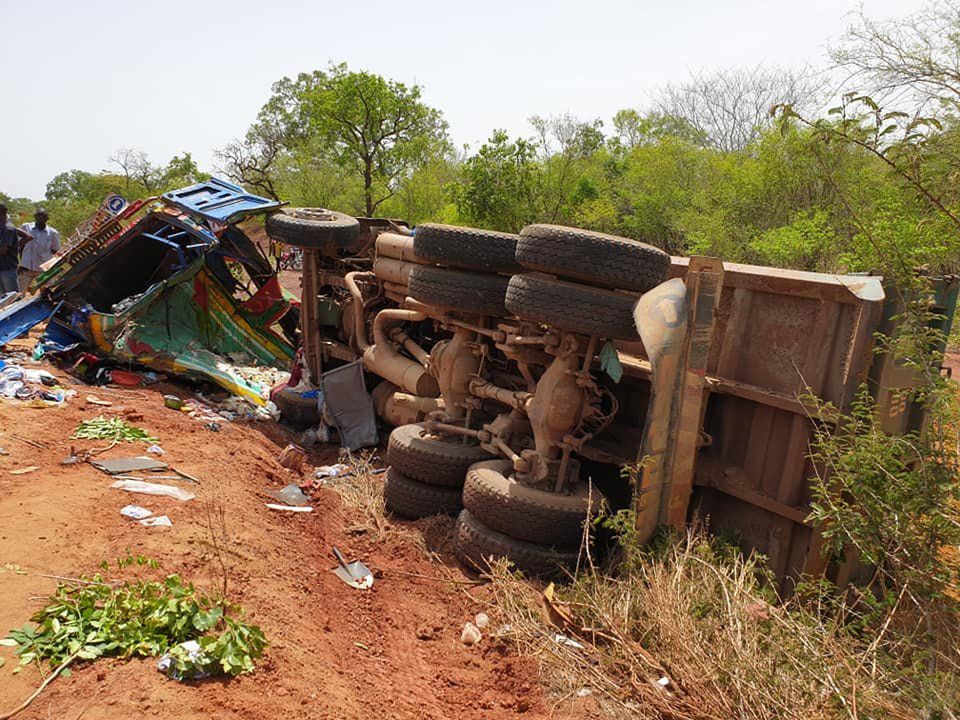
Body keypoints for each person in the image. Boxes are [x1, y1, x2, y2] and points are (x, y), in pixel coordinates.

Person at [18, 207, 60, 291]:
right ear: (35, 217)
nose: (40, 218)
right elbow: (20, 245)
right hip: (26, 268)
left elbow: (55, 250)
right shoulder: (26, 227)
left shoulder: (53, 233)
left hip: (43, 271)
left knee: (45, 294)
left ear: (47, 218)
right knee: (18, 295)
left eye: (43, 216)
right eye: (38, 215)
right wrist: (22, 262)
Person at [0, 203, 30, 294]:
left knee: (12, 298)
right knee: (3, 300)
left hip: (7, 269)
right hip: (2, 268)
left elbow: (3, 250)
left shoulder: (8, 229)